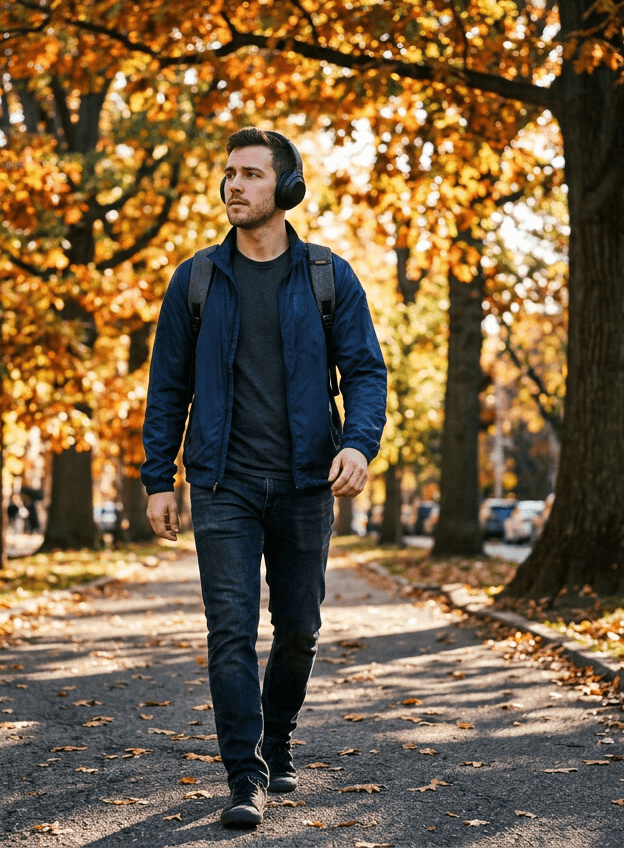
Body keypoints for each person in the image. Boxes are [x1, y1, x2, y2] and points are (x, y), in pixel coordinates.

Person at [141, 128, 387, 829]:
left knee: (300, 629)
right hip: (224, 485)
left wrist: (358, 445)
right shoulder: (195, 280)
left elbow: (365, 371)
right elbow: (167, 387)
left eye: (251, 173)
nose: (234, 185)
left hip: (307, 483)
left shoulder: (328, 276)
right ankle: (244, 775)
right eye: (229, 173)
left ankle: (276, 737)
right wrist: (158, 478)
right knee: (230, 630)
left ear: (287, 187)